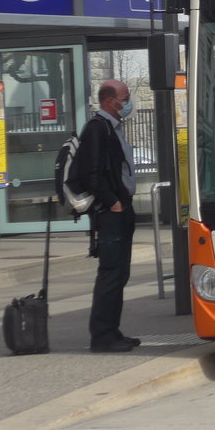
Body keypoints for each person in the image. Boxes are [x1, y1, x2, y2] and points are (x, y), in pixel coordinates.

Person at [75, 79, 140, 353]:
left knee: (120, 273)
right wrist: (112, 202)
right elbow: (90, 173)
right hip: (111, 212)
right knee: (111, 273)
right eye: (125, 98)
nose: (129, 102)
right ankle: (102, 336)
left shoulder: (113, 128)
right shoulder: (97, 128)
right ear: (111, 101)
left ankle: (113, 331)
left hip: (122, 208)